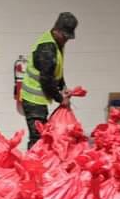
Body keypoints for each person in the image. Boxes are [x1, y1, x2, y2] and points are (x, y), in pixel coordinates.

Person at [20, 12, 78, 148]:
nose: (66, 40)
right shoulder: (47, 48)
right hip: (33, 100)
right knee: (37, 138)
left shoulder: (57, 43)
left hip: (39, 100)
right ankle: (31, 167)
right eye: (65, 36)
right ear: (56, 30)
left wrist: (63, 87)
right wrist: (60, 98)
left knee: (42, 137)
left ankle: (38, 165)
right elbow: (46, 79)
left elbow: (56, 71)